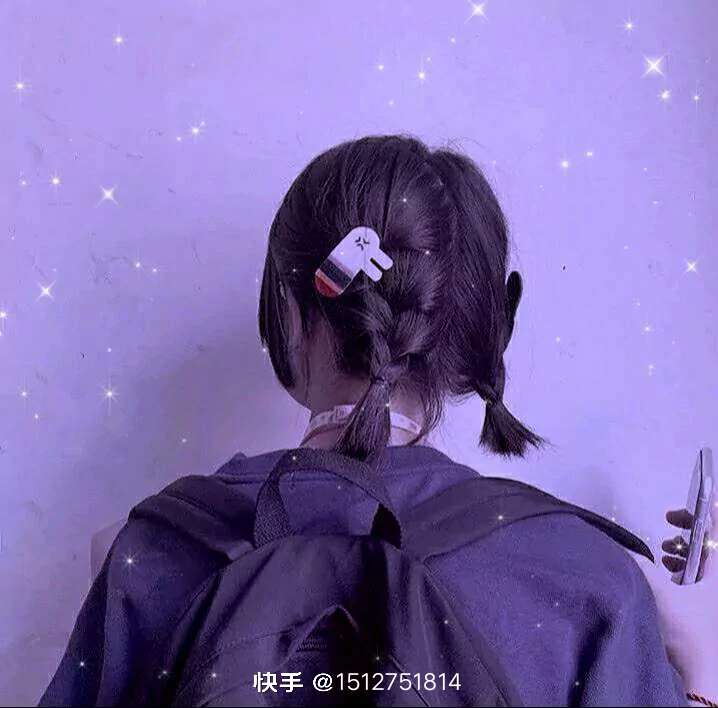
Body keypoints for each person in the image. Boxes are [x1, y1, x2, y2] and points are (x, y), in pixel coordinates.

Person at [40, 136, 710, 706]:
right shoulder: (588, 580)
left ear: (290, 312)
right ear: (482, 327)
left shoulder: (143, 552)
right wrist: (705, 671)